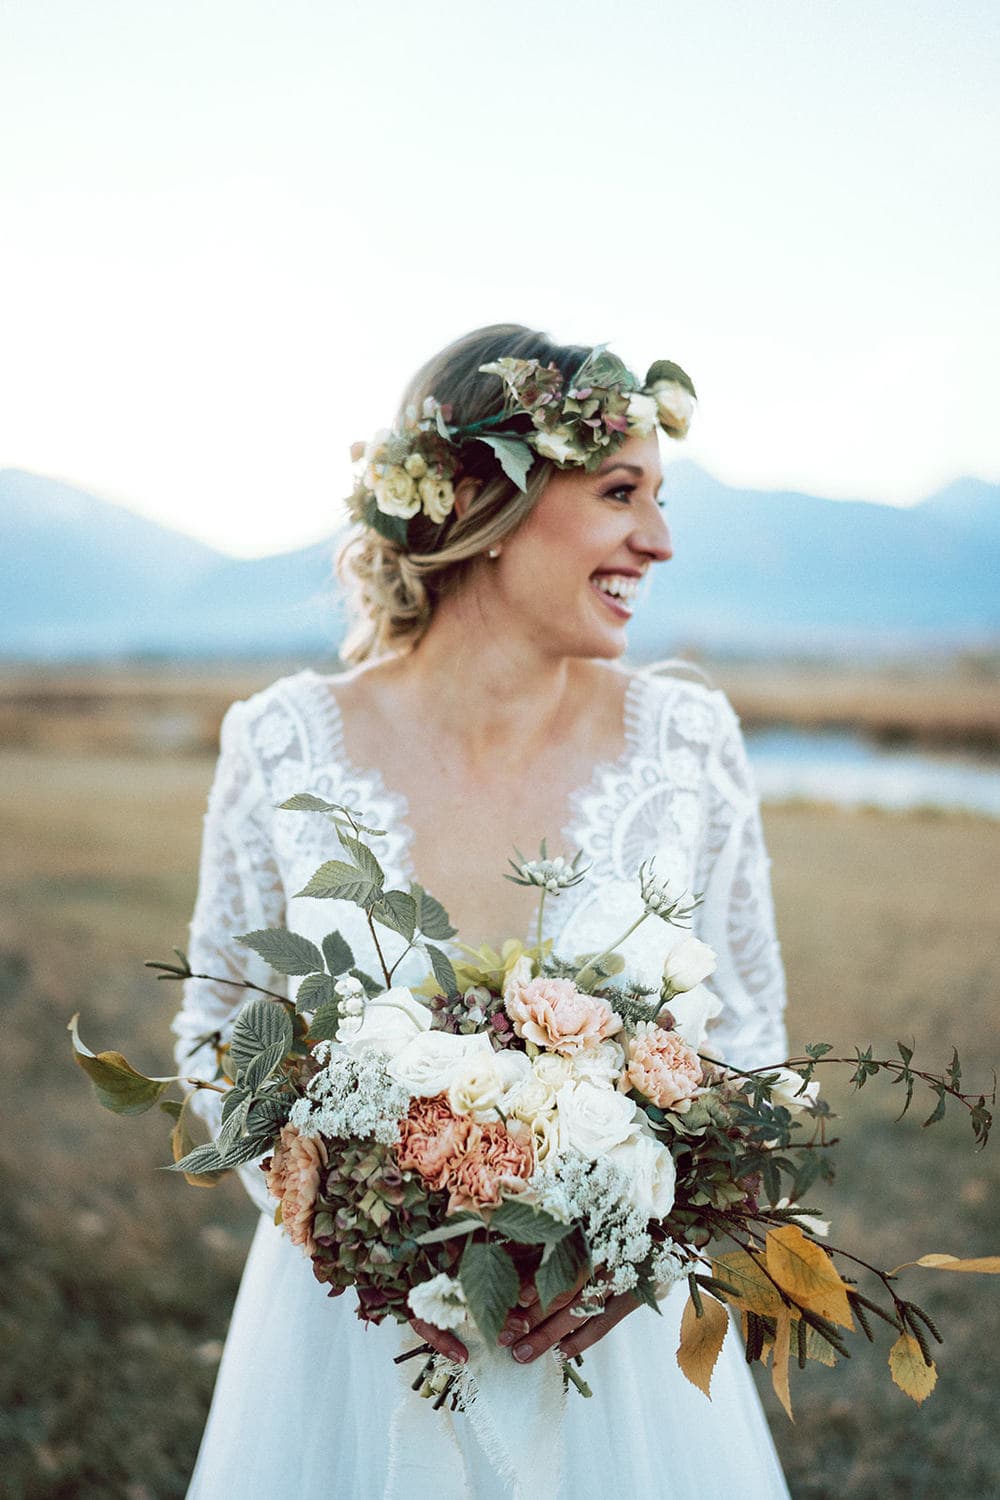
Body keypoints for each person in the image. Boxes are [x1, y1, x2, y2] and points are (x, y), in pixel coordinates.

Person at [172, 323, 792, 1498]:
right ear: (478, 499)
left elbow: (747, 1049)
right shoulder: (282, 742)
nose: (657, 542)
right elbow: (216, 1039)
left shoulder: (687, 742)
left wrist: (639, 1250)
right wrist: (362, 1233)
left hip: (618, 1371)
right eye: (621, 493)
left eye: (658, 501)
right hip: (347, 1353)